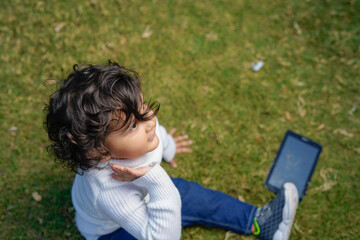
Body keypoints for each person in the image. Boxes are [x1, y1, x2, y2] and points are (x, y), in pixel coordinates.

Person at [45, 61, 299, 240]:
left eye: (143, 106)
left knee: (200, 198)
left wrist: (169, 148)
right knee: (173, 204)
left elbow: (156, 133)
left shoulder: (140, 130)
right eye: (133, 124)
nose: (150, 119)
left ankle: (261, 221)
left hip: (146, 191)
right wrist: (157, 183)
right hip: (113, 231)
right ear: (100, 151)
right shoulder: (109, 191)